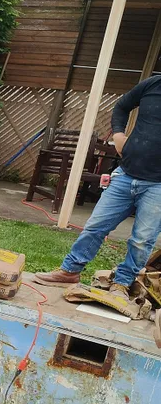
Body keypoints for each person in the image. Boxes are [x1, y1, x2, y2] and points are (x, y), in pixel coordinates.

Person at [35, 74, 161, 296]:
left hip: (158, 186)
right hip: (126, 174)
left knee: (142, 239)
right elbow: (121, 107)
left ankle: (122, 284)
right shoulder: (153, 84)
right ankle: (70, 271)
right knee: (95, 226)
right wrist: (119, 134)